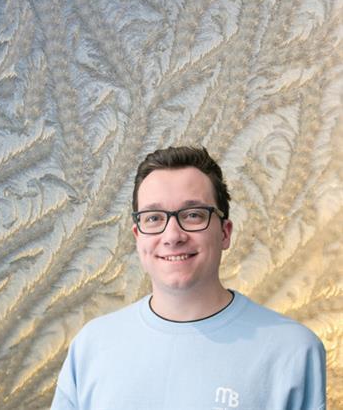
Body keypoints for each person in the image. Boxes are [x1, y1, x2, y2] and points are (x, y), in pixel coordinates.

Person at [50, 146, 326, 410]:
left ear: (225, 233)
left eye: (193, 215)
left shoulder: (293, 350)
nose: (172, 236)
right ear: (138, 237)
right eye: (154, 218)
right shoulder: (92, 346)